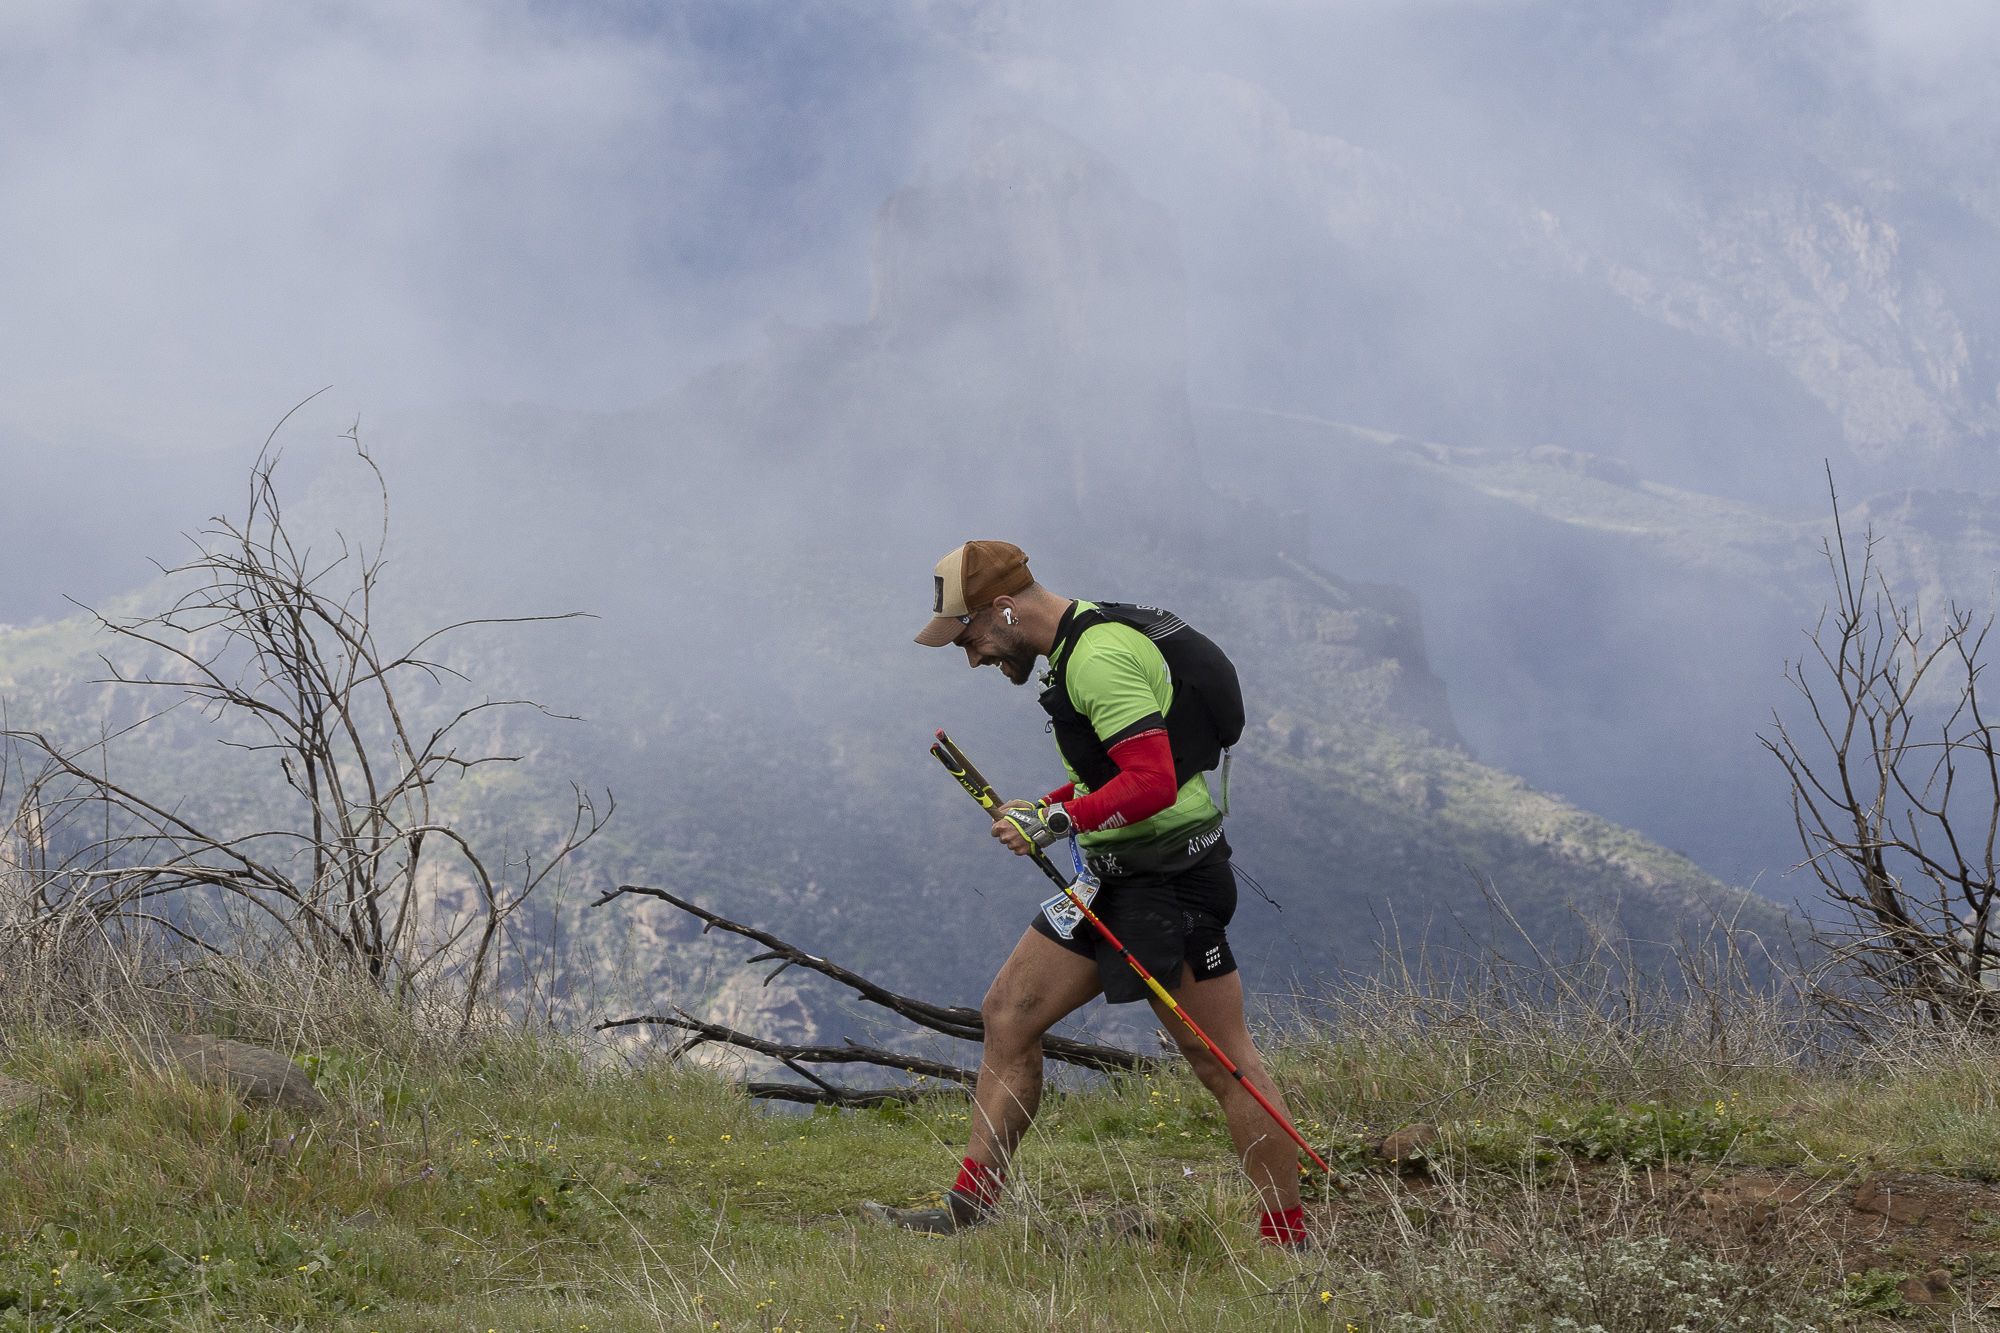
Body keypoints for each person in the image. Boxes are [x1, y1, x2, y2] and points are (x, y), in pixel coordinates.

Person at [861, 539, 1307, 1246]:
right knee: (1008, 1013)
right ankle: (967, 1210)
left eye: (969, 636)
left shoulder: (1096, 658)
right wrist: (1044, 807)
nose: (971, 656)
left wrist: (1056, 819)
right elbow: (1117, 775)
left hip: (1170, 886)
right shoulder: (1075, 648)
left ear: (1003, 609)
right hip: (1106, 879)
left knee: (1222, 1061)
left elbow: (1155, 781)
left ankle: (1289, 1238)